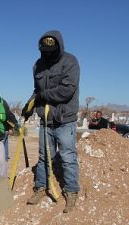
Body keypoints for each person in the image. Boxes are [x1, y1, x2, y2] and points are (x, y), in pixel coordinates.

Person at [22, 30, 80, 213]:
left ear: (59, 47)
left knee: (67, 157)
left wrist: (42, 96)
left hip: (64, 120)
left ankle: (71, 192)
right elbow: (36, 90)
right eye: (44, 51)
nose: (48, 55)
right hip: (45, 121)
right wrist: (29, 105)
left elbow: (67, 91)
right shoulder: (37, 65)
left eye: (51, 51)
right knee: (43, 157)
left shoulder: (70, 62)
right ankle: (40, 188)